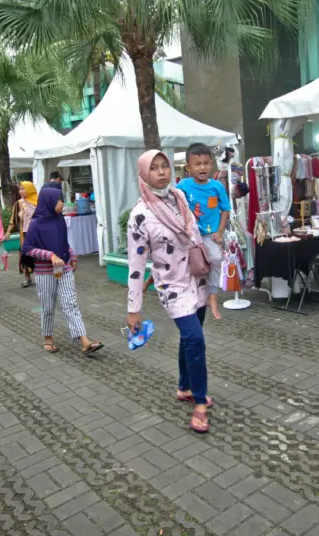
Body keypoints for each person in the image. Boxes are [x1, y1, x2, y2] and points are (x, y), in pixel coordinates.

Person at [127, 150, 213, 433]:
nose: (162, 172)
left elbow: (195, 235)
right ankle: (199, 403)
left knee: (190, 338)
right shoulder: (140, 216)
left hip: (196, 277)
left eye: (165, 166)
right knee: (195, 339)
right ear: (143, 174)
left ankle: (184, 387)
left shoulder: (179, 198)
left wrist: (210, 283)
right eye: (155, 168)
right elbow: (137, 265)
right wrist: (134, 308)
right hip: (171, 286)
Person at [22, 188, 103, 355]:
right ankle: (48, 337)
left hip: (63, 268)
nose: (62, 203)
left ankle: (84, 341)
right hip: (45, 272)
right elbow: (28, 248)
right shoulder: (36, 224)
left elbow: (64, 243)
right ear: (49, 202)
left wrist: (71, 255)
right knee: (48, 306)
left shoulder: (60, 220)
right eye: (59, 200)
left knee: (70, 303)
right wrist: (50, 255)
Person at [173, 143, 231, 320]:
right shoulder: (182, 185)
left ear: (212, 164)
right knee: (192, 266)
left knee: (216, 259)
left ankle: (212, 296)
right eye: (197, 164)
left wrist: (220, 232)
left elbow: (225, 210)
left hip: (209, 234)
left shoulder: (217, 186)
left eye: (206, 163)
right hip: (190, 236)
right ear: (188, 168)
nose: (202, 167)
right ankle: (191, 295)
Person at [4, 181, 38, 288]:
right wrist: (8, 231)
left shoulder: (39, 201)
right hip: (25, 232)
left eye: (23, 188)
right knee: (24, 254)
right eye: (20, 189)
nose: (21, 191)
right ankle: (27, 277)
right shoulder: (19, 203)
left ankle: (44, 275)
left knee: (40, 253)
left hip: (38, 232)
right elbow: (13, 219)